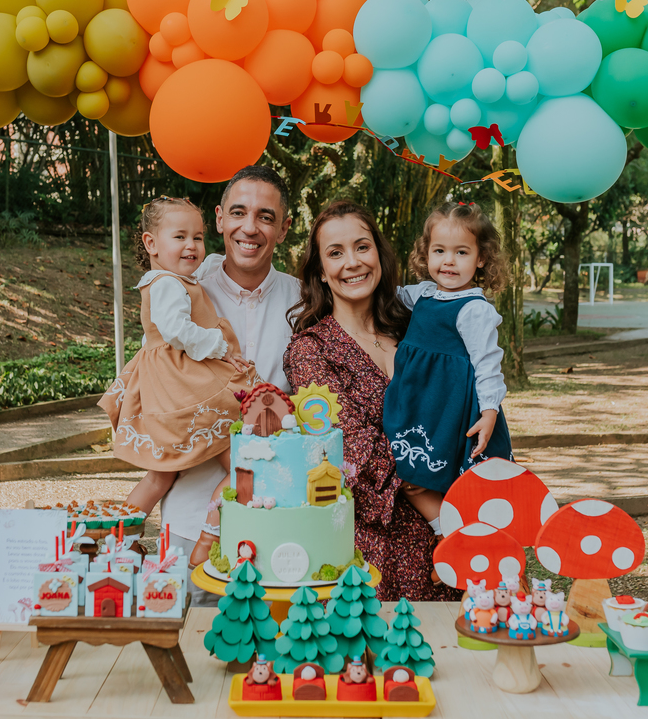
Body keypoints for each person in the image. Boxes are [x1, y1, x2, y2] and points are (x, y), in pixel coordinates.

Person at [283, 200, 455, 601]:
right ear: (321, 273)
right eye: (335, 253)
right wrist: (443, 508)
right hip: (379, 548)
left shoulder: (420, 329)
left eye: (362, 247)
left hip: (459, 528)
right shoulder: (310, 352)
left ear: (379, 253)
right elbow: (354, 452)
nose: (352, 263)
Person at [159, 167, 300, 605]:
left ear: (284, 227)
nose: (249, 227)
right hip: (188, 510)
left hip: (280, 515)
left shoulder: (305, 301)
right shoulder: (181, 292)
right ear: (219, 219)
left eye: (265, 216)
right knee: (187, 649)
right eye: (238, 213)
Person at [97, 196, 253, 565]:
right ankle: (208, 533)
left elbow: (152, 338)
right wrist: (217, 344)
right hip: (188, 388)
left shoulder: (171, 281)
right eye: (179, 236)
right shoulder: (168, 284)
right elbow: (175, 330)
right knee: (242, 464)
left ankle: (119, 541)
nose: (191, 246)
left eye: (197, 237)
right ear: (151, 243)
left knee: (161, 477)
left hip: (175, 385)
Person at [383, 202, 514, 539]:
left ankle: (465, 543)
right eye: (439, 250)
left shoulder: (473, 309)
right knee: (410, 476)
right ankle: (451, 536)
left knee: (454, 484)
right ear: (426, 254)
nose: (449, 261)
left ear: (481, 258)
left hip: (451, 411)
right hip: (419, 406)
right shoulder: (423, 293)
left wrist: (488, 412)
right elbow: (384, 297)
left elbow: (488, 365)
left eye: (461, 252)